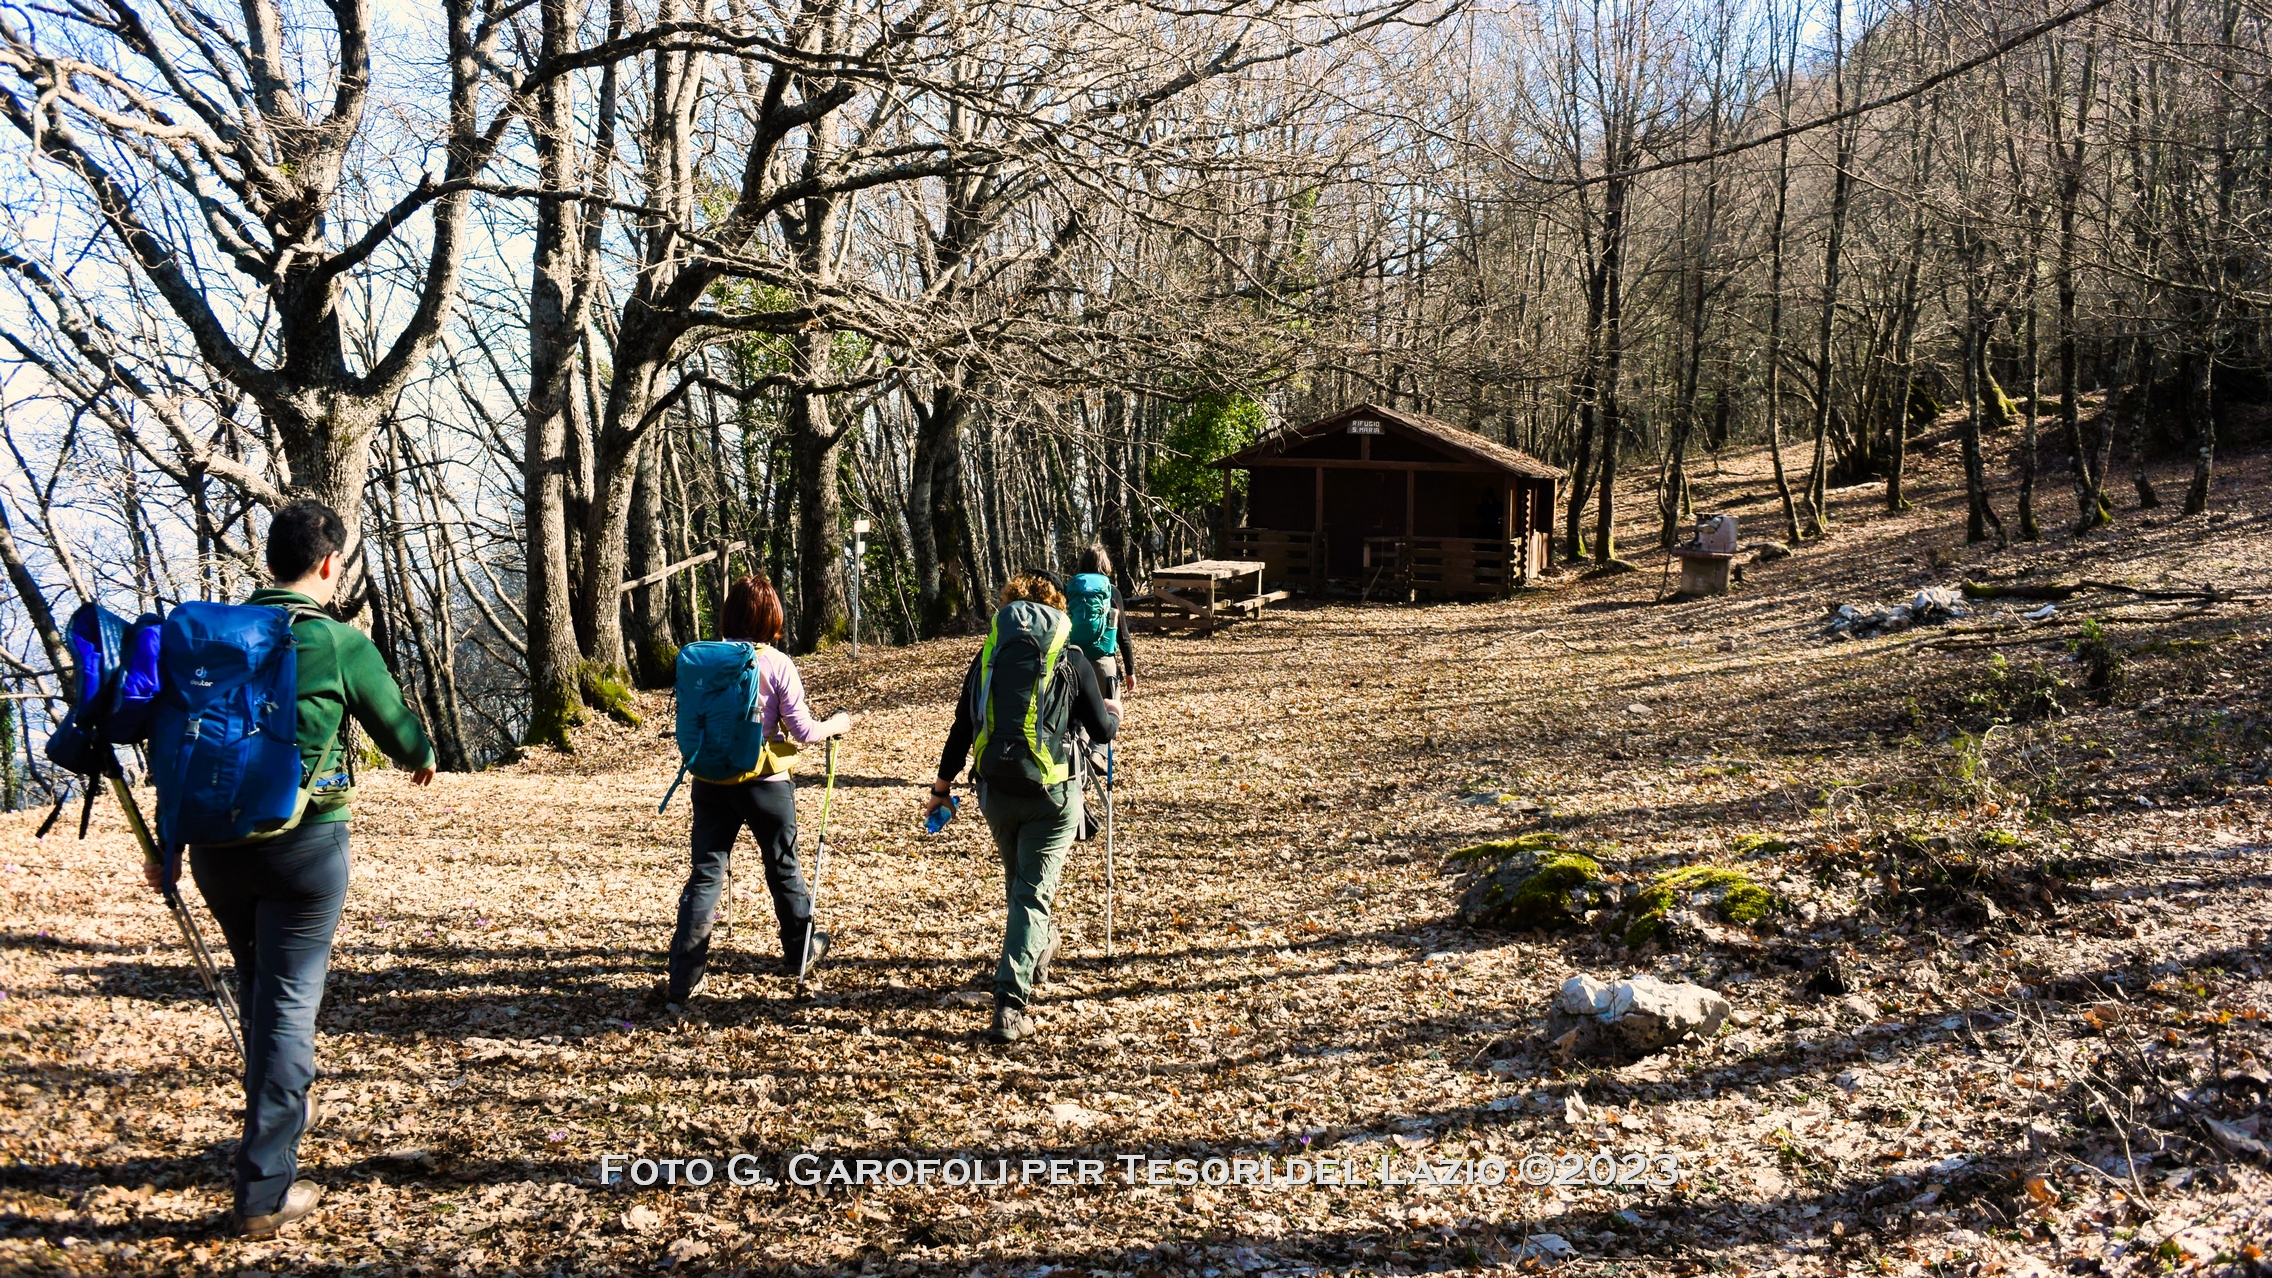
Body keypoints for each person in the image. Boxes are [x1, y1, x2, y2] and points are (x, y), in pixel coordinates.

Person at [147, 498, 437, 1238]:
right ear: (329, 564)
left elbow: (179, 743)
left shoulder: (217, 640)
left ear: (269, 563)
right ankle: (264, 1189)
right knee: (285, 1007)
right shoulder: (336, 640)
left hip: (215, 849)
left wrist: (169, 843)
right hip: (304, 849)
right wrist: (422, 756)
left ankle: (280, 1103)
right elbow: (400, 731)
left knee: (260, 991)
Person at [925, 573, 1120, 1043]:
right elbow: (1101, 731)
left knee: (1022, 888)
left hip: (995, 791)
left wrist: (941, 785)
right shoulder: (1071, 657)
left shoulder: (990, 656)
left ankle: (1037, 948)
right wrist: (1114, 713)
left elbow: (963, 724)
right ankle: (1010, 1004)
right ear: (1058, 608)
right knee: (1031, 895)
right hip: (1051, 796)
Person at [664, 576, 852, 1002]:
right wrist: (839, 724)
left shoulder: (706, 659)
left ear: (730, 615)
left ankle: (685, 978)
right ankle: (800, 952)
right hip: (766, 783)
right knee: (783, 866)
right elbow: (802, 731)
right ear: (772, 618)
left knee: (707, 873)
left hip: (710, 779)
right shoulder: (777, 662)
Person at [1073, 545, 1137, 695]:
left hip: (1075, 662)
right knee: (1109, 713)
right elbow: (1123, 634)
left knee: (1077, 716)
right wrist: (1130, 671)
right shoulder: (1111, 591)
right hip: (1104, 663)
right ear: (1105, 565)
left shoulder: (1072, 589)